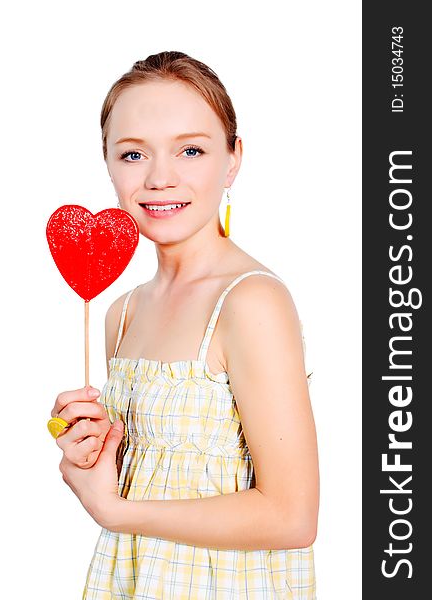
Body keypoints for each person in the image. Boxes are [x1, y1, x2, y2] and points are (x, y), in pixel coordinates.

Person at [50, 50, 319, 599]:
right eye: (132, 155)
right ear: (107, 163)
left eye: (191, 150)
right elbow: (152, 485)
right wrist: (87, 446)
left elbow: (293, 517)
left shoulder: (250, 302)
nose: (159, 178)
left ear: (233, 159)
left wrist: (113, 510)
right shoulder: (119, 314)